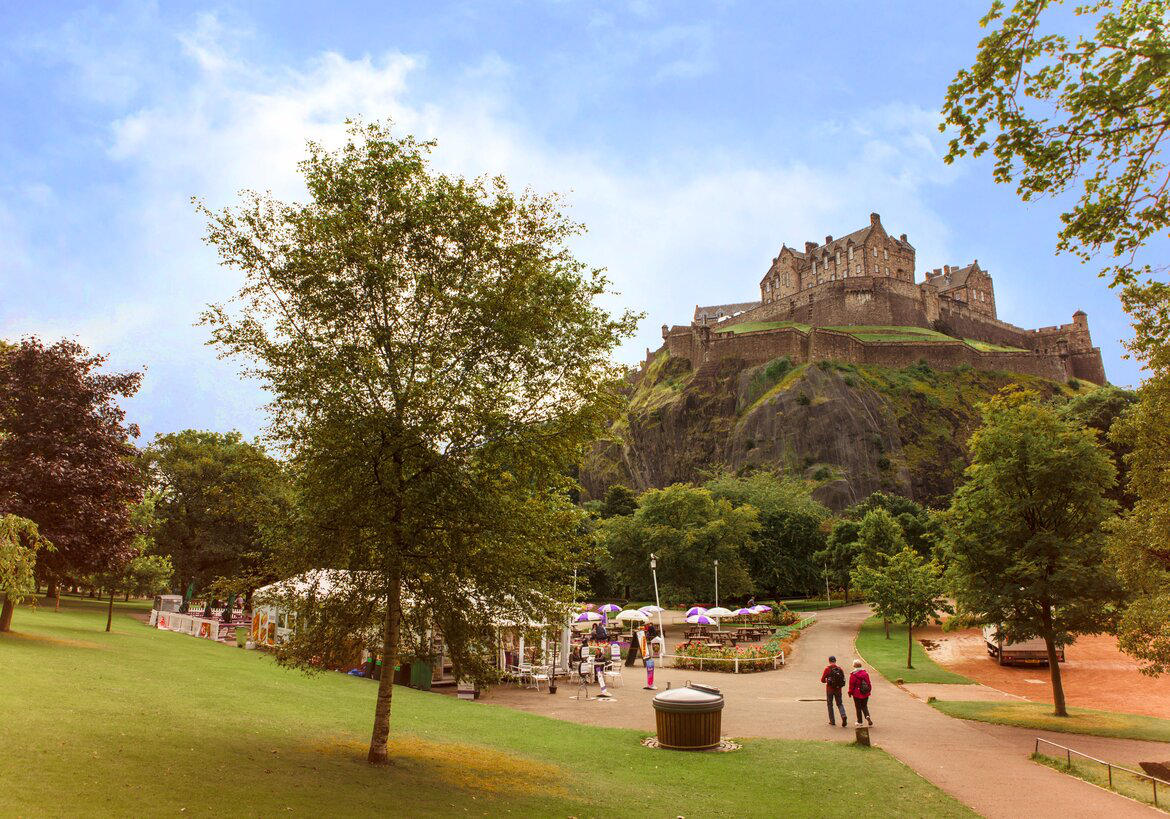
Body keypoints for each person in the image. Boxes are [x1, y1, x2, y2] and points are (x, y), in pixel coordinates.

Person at [820, 655, 848, 727]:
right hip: (838, 689)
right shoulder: (840, 669)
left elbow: (822, 680)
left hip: (830, 689)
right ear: (835, 661)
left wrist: (827, 680)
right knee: (839, 704)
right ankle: (843, 715)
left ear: (829, 661)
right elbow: (843, 679)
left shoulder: (827, 669)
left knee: (830, 705)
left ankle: (832, 721)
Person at [848, 659, 873, 726]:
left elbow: (851, 685)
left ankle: (860, 722)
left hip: (857, 693)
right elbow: (868, 683)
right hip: (865, 693)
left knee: (858, 707)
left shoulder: (853, 674)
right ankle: (867, 716)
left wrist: (850, 692)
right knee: (864, 706)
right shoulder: (865, 673)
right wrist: (869, 690)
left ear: (854, 666)